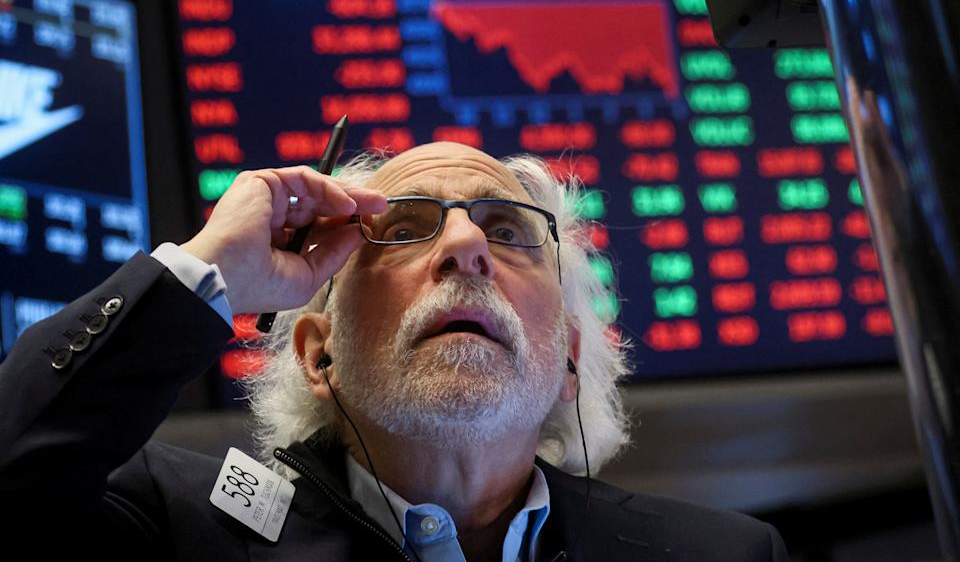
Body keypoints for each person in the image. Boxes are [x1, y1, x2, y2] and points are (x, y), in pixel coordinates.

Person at [0, 142, 788, 561]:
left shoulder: (724, 553)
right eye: (406, 228)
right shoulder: (166, 523)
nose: (467, 245)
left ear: (569, 356)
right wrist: (207, 267)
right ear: (319, 353)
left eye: (508, 232)